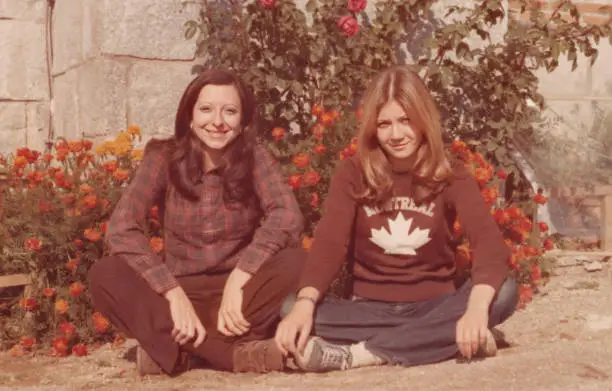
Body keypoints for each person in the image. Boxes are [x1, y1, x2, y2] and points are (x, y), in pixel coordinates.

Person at [275, 65, 518, 372]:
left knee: (504, 292)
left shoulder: (450, 172)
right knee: (290, 308)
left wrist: (476, 308)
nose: (396, 134)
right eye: (385, 124)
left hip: (436, 305)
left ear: (423, 121)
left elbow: (489, 245)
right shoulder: (353, 173)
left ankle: (364, 354)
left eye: (406, 121)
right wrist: (305, 303)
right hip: (369, 310)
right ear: (373, 129)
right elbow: (329, 244)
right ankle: (441, 340)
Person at [89, 69, 305, 376]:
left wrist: (240, 275)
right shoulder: (162, 157)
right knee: (105, 274)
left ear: (242, 122)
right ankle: (232, 357)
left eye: (229, 111)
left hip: (237, 299)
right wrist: (172, 293)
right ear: (189, 117)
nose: (217, 121)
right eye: (206, 109)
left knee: (297, 261)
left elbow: (287, 215)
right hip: (178, 296)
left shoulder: (256, 157)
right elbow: (123, 227)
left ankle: (179, 353)